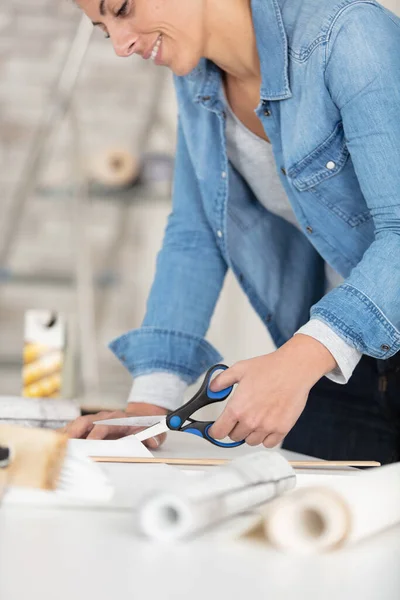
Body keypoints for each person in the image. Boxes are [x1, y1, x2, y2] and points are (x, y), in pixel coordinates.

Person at [65, 0, 400, 464]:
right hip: (335, 367)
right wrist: (148, 408)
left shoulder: (349, 35)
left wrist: (302, 357)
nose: (122, 45)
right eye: (104, 30)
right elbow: (194, 232)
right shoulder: (197, 75)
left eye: (121, 9)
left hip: (323, 347)